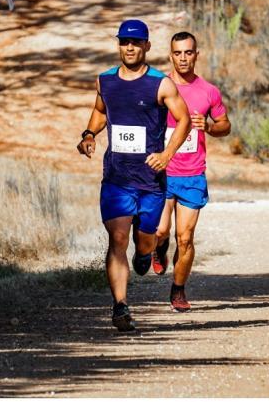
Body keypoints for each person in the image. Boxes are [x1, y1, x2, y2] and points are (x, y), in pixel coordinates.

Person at [77, 19, 191, 332]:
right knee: (117, 239)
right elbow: (101, 111)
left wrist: (167, 155)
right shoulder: (105, 81)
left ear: (146, 46)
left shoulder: (160, 84)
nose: (130, 47)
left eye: (136, 42)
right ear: (119, 45)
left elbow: (184, 121)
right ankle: (120, 307)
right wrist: (89, 134)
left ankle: (147, 252)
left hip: (150, 183)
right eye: (125, 42)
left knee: (143, 243)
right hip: (116, 178)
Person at [152, 32, 230, 312]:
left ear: (196, 54)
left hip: (192, 174)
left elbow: (225, 125)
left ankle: (178, 290)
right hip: (162, 172)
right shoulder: (159, 87)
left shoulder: (209, 91)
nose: (183, 58)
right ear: (170, 55)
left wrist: (209, 127)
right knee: (160, 230)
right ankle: (159, 247)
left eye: (188, 52)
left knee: (185, 238)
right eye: (177, 53)